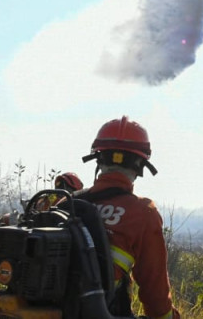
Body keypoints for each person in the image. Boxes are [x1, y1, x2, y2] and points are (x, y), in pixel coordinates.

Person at [75, 116, 180, 319]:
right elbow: (155, 296)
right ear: (140, 165)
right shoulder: (143, 213)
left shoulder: (69, 204)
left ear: (98, 158)